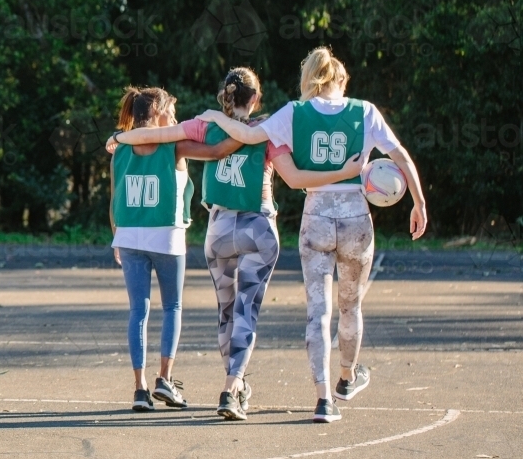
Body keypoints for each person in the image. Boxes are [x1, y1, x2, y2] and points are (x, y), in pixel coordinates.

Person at [112, 68, 362, 420]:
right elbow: (293, 177)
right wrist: (343, 174)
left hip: (218, 230)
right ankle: (232, 387)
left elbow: (159, 134)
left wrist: (119, 140)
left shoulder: (203, 127)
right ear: (256, 98)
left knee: (226, 314)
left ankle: (233, 385)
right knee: (246, 312)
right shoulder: (268, 130)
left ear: (224, 97)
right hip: (256, 226)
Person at [199, 47, 427, 423]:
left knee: (317, 311)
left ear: (309, 78)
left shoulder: (293, 112)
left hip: (317, 213)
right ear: (340, 79)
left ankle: (323, 399)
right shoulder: (365, 111)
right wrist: (418, 202)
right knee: (350, 305)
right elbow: (399, 154)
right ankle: (346, 378)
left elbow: (245, 134)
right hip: (355, 214)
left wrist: (211, 116)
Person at [109, 86, 239, 412]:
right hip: (165, 235)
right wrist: (255, 133)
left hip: (128, 236)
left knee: (138, 311)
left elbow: (114, 201)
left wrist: (117, 237)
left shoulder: (120, 148)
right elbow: (219, 150)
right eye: (173, 113)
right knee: (172, 307)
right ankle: (164, 378)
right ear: (159, 114)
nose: (177, 120)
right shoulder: (174, 146)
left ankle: (139, 388)